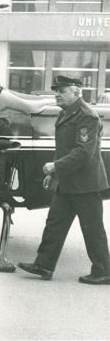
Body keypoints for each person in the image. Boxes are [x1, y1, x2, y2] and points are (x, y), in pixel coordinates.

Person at [18, 75, 110, 285]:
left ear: (77, 92)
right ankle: (44, 265)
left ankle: (104, 272)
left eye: (62, 91)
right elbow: (63, 149)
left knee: (92, 229)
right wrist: (54, 174)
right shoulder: (67, 113)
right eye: (56, 91)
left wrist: (56, 167)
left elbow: (83, 152)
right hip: (69, 182)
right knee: (55, 224)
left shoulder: (87, 116)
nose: (57, 94)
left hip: (86, 184)